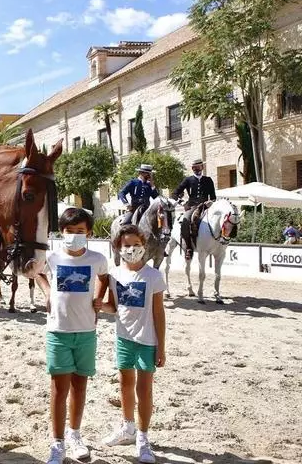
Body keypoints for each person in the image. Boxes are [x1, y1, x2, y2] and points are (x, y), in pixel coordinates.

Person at [42, 207, 108, 464]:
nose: (74, 236)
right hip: (58, 331)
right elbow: (37, 273)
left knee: (80, 385)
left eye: (80, 231)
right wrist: (47, 290)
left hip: (87, 331)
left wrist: (99, 298)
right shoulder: (52, 257)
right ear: (62, 232)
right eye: (69, 231)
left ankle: (74, 434)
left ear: (89, 232)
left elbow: (104, 278)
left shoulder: (97, 258)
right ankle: (57, 443)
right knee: (59, 389)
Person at [101, 224, 167, 464]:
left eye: (136, 245)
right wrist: (98, 305)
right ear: (118, 247)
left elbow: (159, 313)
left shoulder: (154, 276)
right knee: (125, 385)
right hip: (123, 338)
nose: (131, 249)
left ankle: (143, 436)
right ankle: (127, 427)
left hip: (147, 340)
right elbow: (113, 307)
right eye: (126, 245)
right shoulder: (114, 274)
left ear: (144, 245)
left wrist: (161, 346)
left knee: (144, 388)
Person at [171, 159, 216, 259]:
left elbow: (213, 197)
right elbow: (174, 194)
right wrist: (182, 203)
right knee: (186, 221)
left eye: (199, 167)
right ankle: (188, 248)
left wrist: (211, 202)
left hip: (205, 206)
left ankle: (218, 243)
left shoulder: (208, 180)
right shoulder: (188, 180)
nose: (197, 169)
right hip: (192, 206)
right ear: (192, 168)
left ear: (202, 167)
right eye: (195, 167)